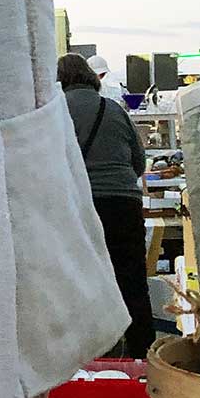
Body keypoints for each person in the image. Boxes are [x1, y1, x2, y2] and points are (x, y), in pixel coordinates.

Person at [58, 52, 156, 359]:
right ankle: (144, 355)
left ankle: (92, 357)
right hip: (125, 205)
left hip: (81, 207)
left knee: (82, 280)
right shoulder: (115, 109)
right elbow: (138, 163)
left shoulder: (57, 113)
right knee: (132, 278)